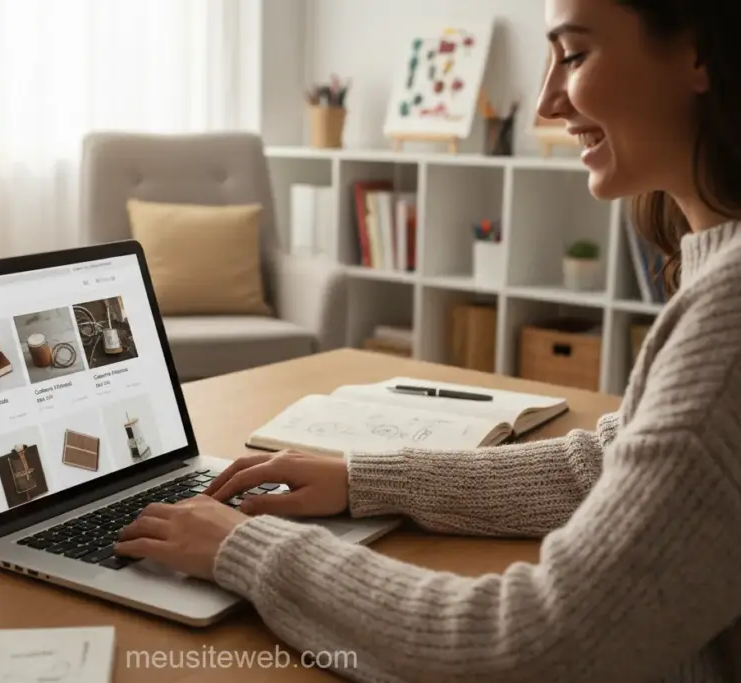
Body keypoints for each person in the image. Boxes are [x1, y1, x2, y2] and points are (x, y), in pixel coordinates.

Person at [114, 0, 741, 680]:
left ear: (699, 52)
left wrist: (244, 546)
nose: (545, 101)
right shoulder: (718, 278)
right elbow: (602, 465)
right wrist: (364, 478)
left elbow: (528, 645)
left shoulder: (726, 321)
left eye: (574, 54)